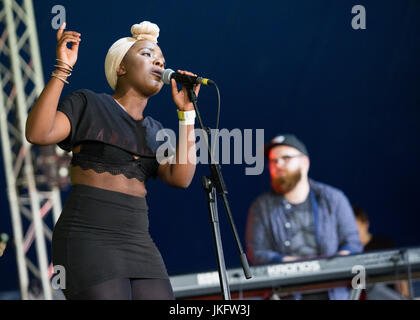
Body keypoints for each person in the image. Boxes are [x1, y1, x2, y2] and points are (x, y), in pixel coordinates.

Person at [25, 21, 200, 300]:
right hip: (87, 236)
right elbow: (38, 132)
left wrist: (187, 115)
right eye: (146, 54)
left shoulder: (154, 130)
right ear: (121, 67)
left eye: (161, 59)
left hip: (138, 241)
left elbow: (181, 179)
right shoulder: (89, 103)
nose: (158, 61)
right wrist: (62, 69)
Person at [245, 134, 363, 300]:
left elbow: (353, 243)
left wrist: (336, 263)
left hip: (334, 293)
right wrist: (295, 265)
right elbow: (256, 253)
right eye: (273, 161)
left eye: (286, 158)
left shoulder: (334, 198)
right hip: (285, 294)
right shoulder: (260, 207)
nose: (278, 164)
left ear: (305, 162)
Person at [353, 206, 409, 299]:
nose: (353, 231)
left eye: (355, 226)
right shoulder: (350, 252)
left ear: (366, 224)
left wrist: (405, 296)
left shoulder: (384, 244)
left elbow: (401, 275)